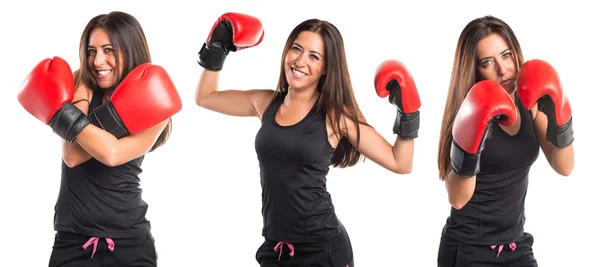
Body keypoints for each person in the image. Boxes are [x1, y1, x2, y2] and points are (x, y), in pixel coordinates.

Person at [194, 12, 421, 267]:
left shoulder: (336, 116)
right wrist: (218, 46)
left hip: (322, 249)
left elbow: (400, 162)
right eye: (296, 49)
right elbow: (206, 97)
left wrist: (408, 114)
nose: (300, 61)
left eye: (314, 56)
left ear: (326, 68)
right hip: (276, 247)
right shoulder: (266, 102)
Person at [17, 11, 182, 266]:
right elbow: (71, 156)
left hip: (130, 242)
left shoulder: (153, 100)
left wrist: (62, 112)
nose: (97, 61)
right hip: (73, 240)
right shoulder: (79, 87)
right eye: (92, 51)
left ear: (130, 49)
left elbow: (112, 154)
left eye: (108, 50)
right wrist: (81, 90)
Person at [436, 15, 575, 266]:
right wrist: (473, 135)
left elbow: (563, 165)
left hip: (516, 245)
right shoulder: (467, 113)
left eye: (506, 55)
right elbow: (457, 198)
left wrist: (560, 116)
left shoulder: (528, 103)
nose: (502, 69)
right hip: (468, 249)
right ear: (474, 70)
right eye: (487, 62)